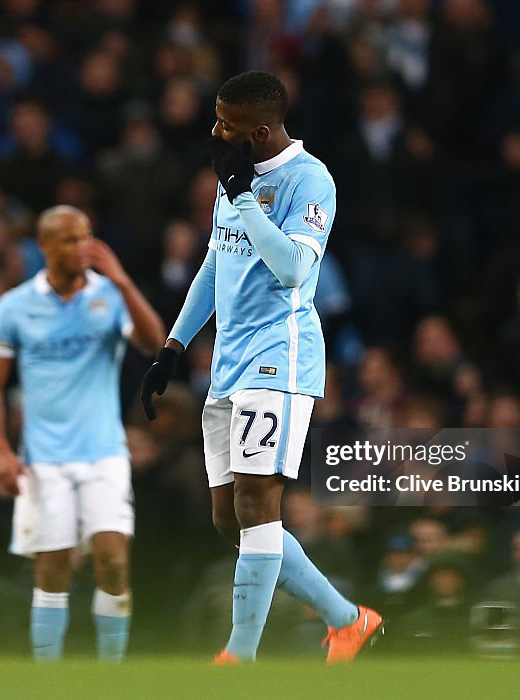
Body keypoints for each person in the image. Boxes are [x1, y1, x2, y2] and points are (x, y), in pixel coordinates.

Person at [140, 71, 383, 664]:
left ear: (263, 130)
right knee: (231, 519)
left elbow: (294, 271)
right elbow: (215, 265)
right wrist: (172, 347)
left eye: (227, 123)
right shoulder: (234, 178)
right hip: (228, 362)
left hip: (280, 356)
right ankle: (347, 619)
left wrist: (244, 195)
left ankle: (239, 657)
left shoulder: (309, 180)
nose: (216, 131)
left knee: (257, 501)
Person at [0, 205, 164, 662]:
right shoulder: (14, 307)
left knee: (114, 561)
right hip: (45, 459)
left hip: (104, 453)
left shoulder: (110, 295)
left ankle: (110, 675)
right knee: (54, 568)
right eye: (69, 239)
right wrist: (0, 451)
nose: (82, 247)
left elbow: (155, 343)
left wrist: (122, 281)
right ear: (44, 246)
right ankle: (49, 677)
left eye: (85, 237)